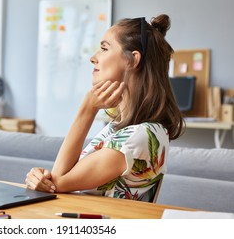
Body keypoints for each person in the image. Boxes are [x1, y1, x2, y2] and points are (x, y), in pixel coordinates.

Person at [25, 14, 184, 202]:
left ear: (133, 60)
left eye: (104, 48)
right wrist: (41, 178)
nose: (93, 58)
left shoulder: (140, 136)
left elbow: (58, 181)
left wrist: (87, 108)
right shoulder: (119, 128)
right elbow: (60, 178)